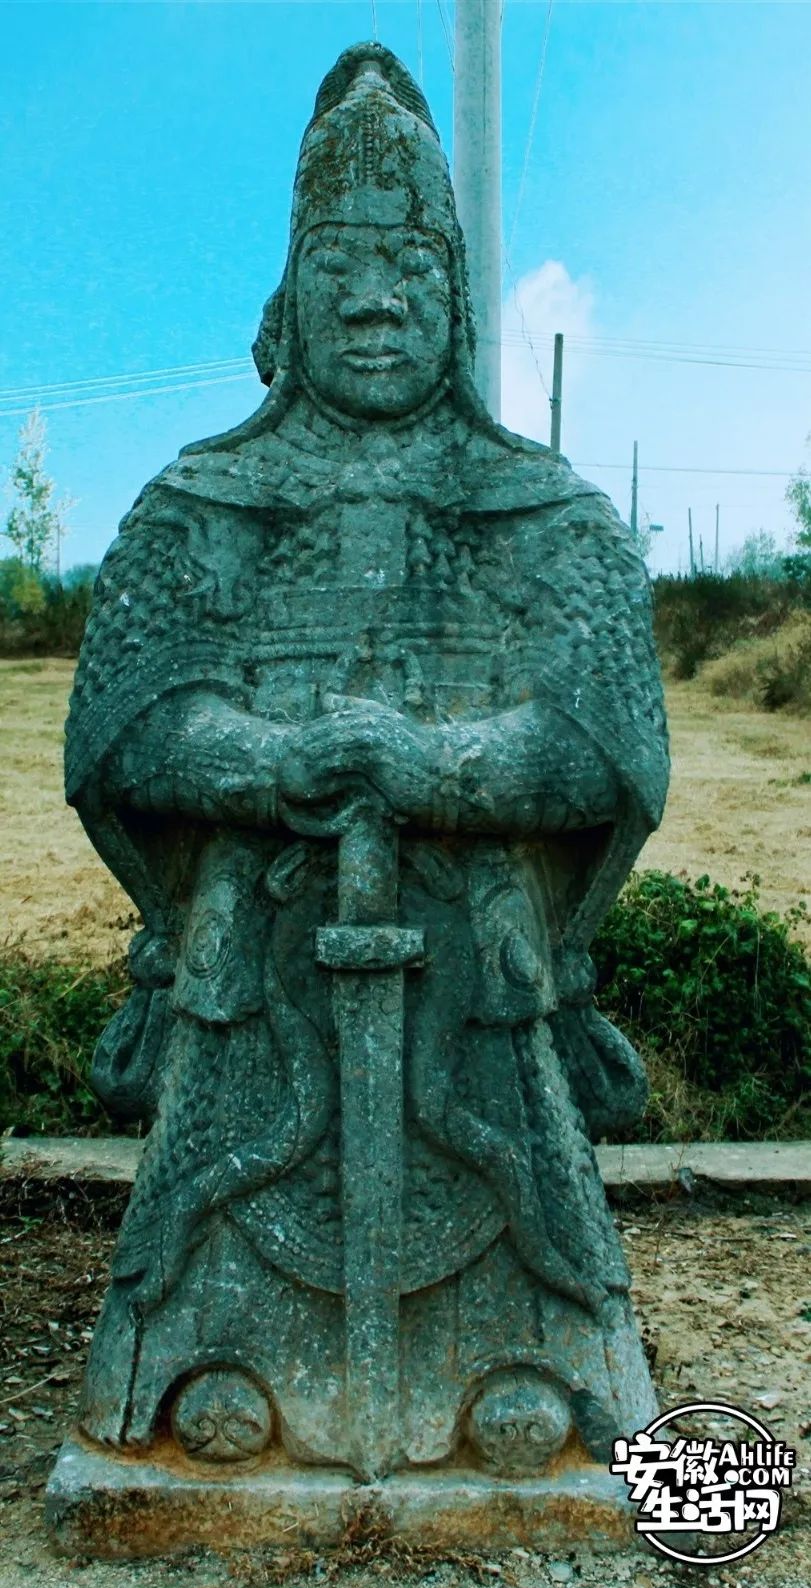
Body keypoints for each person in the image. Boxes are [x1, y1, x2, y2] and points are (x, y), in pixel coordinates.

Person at [66, 44, 668, 1475]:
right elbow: (126, 723)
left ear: (455, 302)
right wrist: (272, 762)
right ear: (290, 299)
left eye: (409, 266)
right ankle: (201, 1366)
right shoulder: (200, 502)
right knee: (225, 1134)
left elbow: (606, 741)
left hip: (480, 966)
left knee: (511, 1132)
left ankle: (537, 1374)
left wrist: (438, 769)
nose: (376, 300)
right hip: (257, 944)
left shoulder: (544, 512)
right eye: (340, 264)